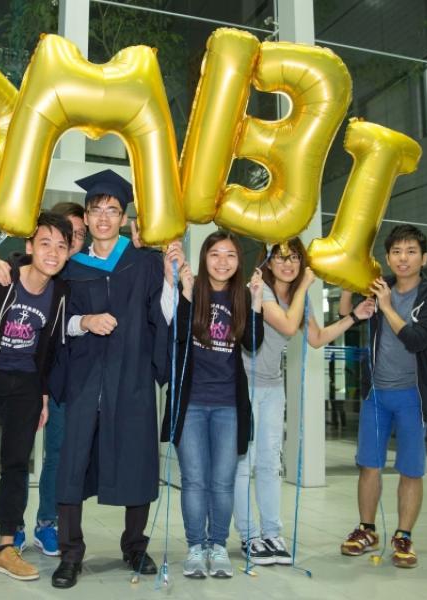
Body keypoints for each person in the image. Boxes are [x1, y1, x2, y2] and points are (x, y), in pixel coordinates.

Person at [50, 169, 172, 589]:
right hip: (84, 379)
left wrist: (174, 281)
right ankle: (70, 553)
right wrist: (84, 320)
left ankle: (135, 545)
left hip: (131, 378)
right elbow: (55, 322)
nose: (103, 217)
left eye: (112, 210)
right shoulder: (70, 268)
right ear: (86, 215)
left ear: (123, 218)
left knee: (136, 458)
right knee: (72, 463)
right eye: (96, 209)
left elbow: (160, 317)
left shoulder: (144, 263)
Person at [234, 238, 375, 567]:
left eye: (294, 258)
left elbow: (316, 339)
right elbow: (285, 324)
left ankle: (271, 532)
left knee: (270, 463)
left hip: (272, 387)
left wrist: (354, 316)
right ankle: (249, 535)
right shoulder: (260, 290)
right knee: (244, 464)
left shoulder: (299, 297)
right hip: (242, 385)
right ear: (268, 263)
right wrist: (305, 287)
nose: (288, 264)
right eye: (281, 258)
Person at [0, 212, 72, 589]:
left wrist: (43, 394)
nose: (52, 252)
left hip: (25, 386)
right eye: (45, 243)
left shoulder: (60, 292)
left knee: (18, 466)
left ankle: (5, 547)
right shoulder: (4, 278)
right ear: (29, 246)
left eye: (61, 246)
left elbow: (48, 347)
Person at [339, 224, 427, 569]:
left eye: (411, 251)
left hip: (412, 396)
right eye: (397, 252)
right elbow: (348, 316)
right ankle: (366, 529)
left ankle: (403, 535)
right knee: (369, 465)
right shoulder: (377, 287)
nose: (403, 258)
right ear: (388, 257)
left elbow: (416, 340)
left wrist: (385, 306)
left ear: (423, 257)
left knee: (410, 470)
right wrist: (345, 284)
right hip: (376, 395)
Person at [160, 231, 265, 579]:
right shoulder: (194, 289)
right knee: (194, 481)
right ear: (204, 258)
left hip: (228, 406)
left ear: (239, 262)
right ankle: (194, 548)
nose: (223, 261)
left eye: (231, 255)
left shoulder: (240, 296)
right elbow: (176, 338)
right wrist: (186, 295)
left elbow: (252, 343)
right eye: (215, 254)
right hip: (191, 404)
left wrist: (258, 301)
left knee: (222, 481)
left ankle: (218, 546)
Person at [14, 202, 87, 557]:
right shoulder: (21, 270)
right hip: (27, 378)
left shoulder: (84, 275)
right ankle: (11, 524)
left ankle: (47, 523)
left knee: (56, 454)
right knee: (16, 453)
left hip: (63, 382)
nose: (65, 246)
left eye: (74, 237)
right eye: (56, 239)